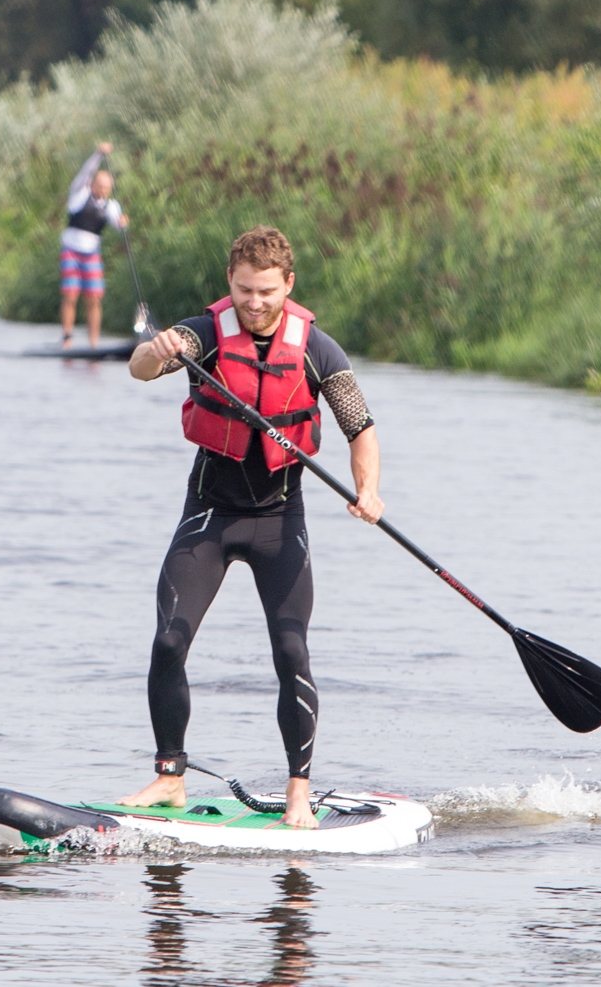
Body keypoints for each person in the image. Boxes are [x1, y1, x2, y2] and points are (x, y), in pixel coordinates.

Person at [120, 226, 384, 829]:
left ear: (288, 285)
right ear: (230, 284)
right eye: (244, 290)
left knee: (291, 650)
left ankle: (297, 791)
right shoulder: (204, 334)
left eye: (266, 291)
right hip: (211, 515)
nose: (255, 302)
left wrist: (368, 491)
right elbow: (138, 370)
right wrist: (155, 351)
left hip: (278, 520)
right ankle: (169, 778)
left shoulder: (318, 350)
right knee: (169, 640)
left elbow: (360, 426)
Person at [59, 142, 128, 348]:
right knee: (71, 294)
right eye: (102, 187)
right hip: (71, 250)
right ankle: (67, 338)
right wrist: (98, 154)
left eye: (108, 188)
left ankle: (93, 343)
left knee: (94, 297)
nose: (105, 191)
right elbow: (85, 172)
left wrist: (122, 223)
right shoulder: (79, 193)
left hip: (91, 253)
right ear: (94, 185)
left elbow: (118, 225)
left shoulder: (111, 205)